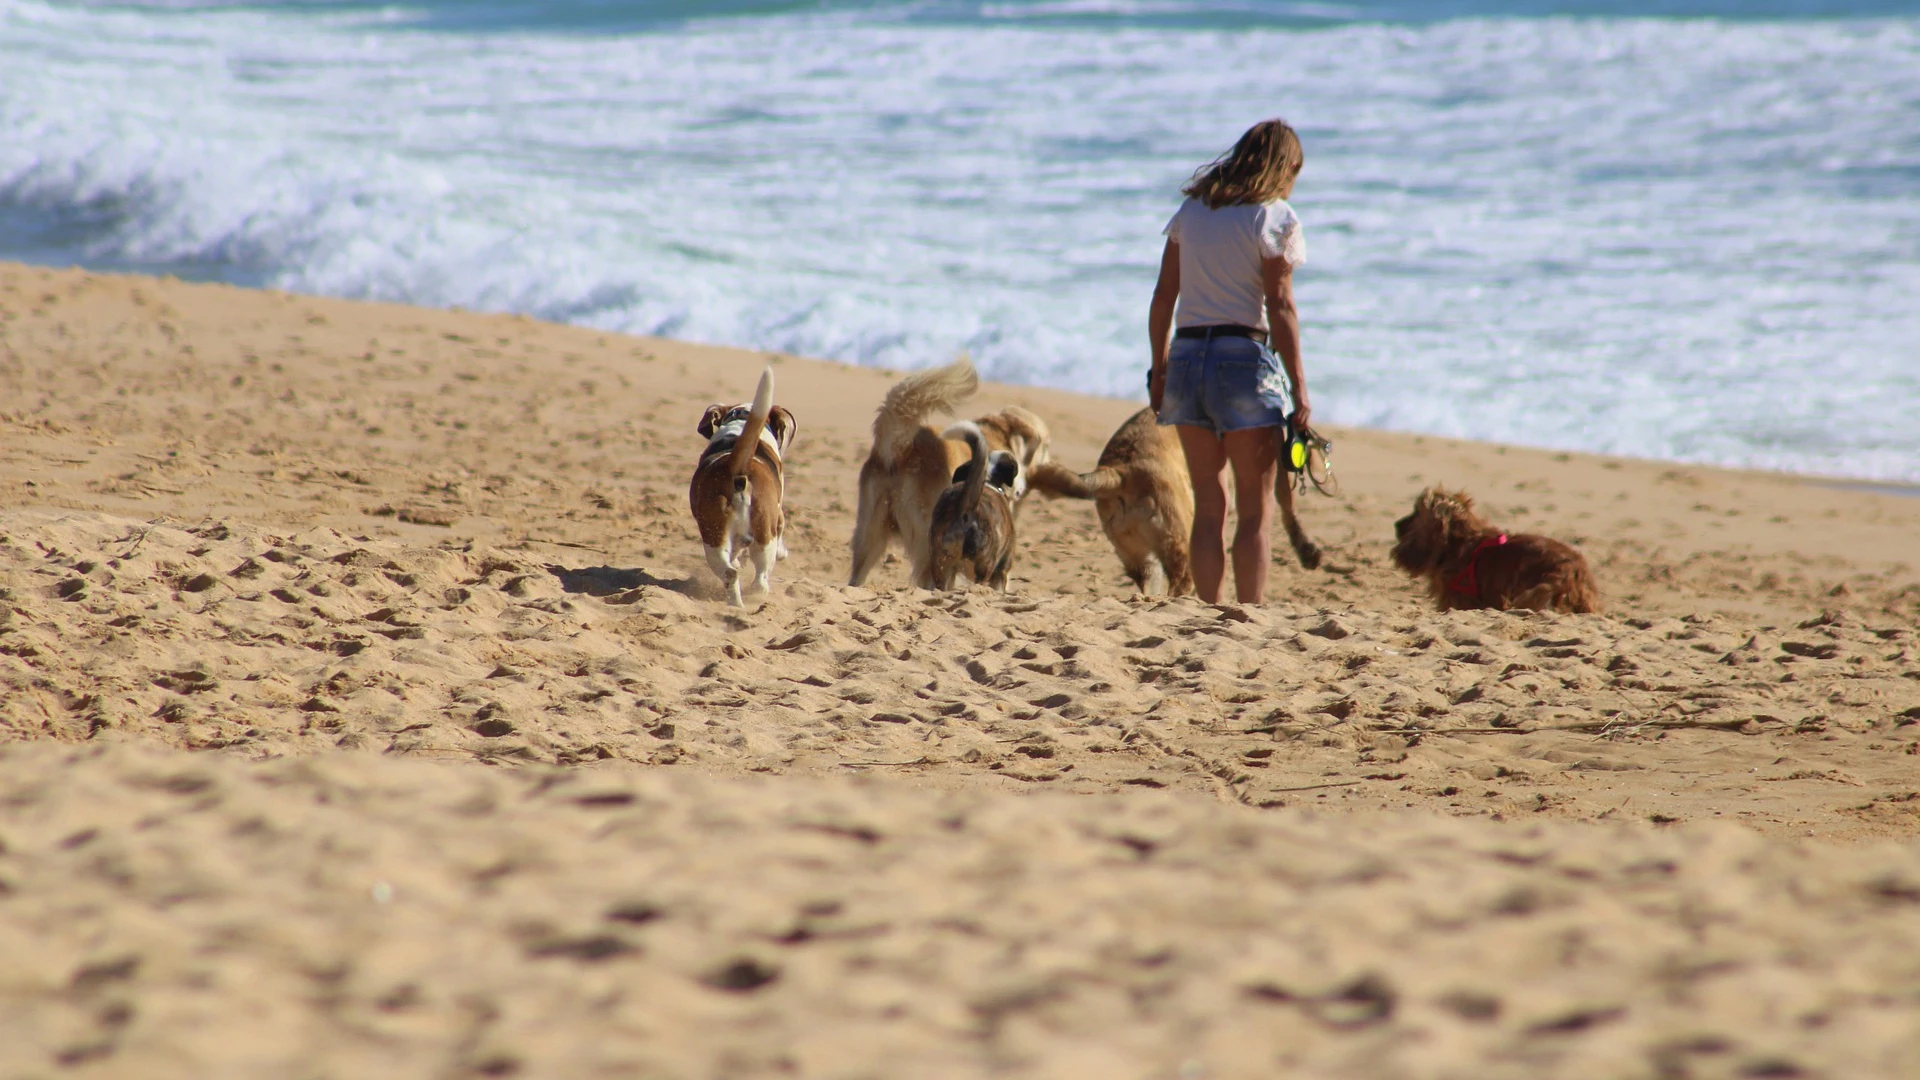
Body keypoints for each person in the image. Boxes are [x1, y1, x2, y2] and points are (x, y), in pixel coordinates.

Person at [1148, 118, 1312, 605]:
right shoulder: (1274, 216)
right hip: (1242, 359)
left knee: (1208, 506)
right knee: (1255, 511)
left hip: (1187, 359)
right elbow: (1280, 306)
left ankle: (1208, 612)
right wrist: (1300, 389)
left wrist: (1158, 372)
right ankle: (1249, 614)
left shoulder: (1192, 211)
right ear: (1284, 167)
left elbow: (1163, 298)